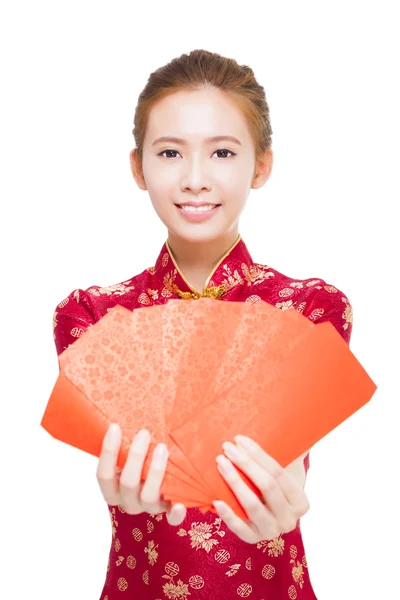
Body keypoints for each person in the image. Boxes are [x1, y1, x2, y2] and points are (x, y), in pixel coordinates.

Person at [53, 49, 353, 599]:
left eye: (221, 152)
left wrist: (284, 489)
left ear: (260, 166)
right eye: (170, 152)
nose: (194, 179)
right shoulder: (93, 315)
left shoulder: (310, 309)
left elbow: (291, 460)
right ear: (138, 167)